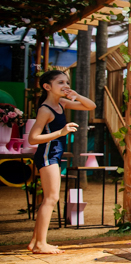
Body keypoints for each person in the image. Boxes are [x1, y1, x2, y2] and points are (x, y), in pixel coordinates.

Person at [27, 70, 95, 254]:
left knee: (50, 198)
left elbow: (91, 106)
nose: (65, 85)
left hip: (54, 155)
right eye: (60, 82)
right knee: (51, 198)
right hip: (47, 155)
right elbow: (33, 138)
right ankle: (41, 244)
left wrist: (76, 95)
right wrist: (61, 132)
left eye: (67, 82)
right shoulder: (45, 110)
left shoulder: (62, 103)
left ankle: (34, 242)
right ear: (47, 87)